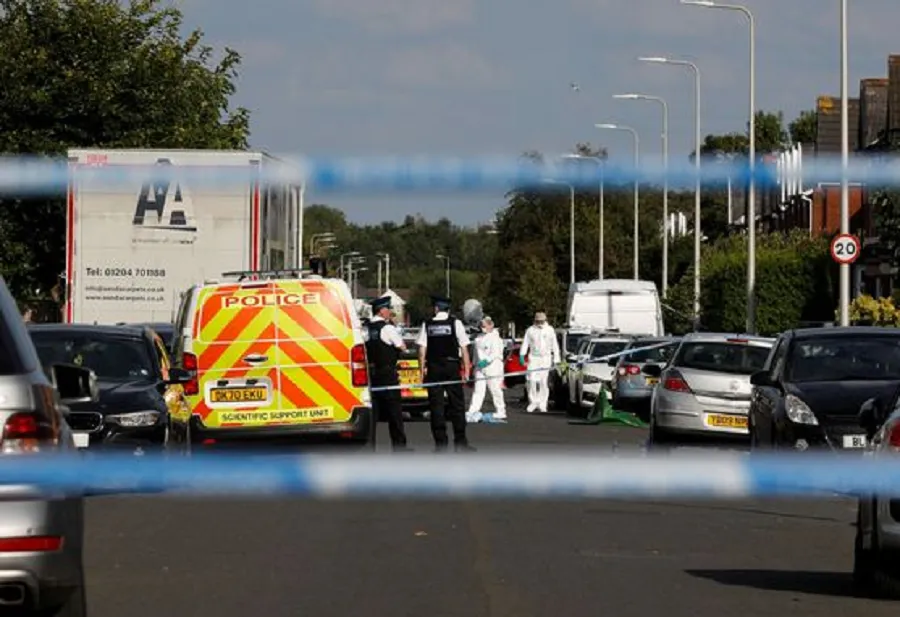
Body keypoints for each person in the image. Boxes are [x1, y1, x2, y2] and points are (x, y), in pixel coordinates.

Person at [416, 295, 476, 453]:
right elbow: (464, 348)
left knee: (436, 406)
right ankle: (460, 442)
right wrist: (467, 370)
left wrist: (421, 371)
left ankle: (440, 444)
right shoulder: (455, 323)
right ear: (447, 309)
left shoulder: (427, 324)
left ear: (436, 308)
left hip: (434, 367)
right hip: (451, 366)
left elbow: (422, 350)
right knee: (457, 405)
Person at [365, 295, 412, 452]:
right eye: (388, 309)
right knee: (394, 412)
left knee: (373, 413)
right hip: (387, 373)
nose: (389, 312)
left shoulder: (366, 328)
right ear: (382, 310)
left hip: (370, 373)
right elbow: (402, 346)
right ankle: (399, 446)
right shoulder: (387, 328)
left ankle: (370, 447)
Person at [466, 316, 507, 423]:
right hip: (480, 367)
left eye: (484, 326)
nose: (482, 328)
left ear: (491, 326)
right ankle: (473, 410)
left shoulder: (496, 338)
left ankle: (501, 410)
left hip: (492, 367)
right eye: (481, 326)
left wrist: (487, 361)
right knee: (478, 391)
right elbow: (476, 354)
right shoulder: (478, 338)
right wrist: (474, 366)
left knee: (495, 389)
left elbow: (496, 353)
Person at [520, 311, 560, 413]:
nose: (540, 323)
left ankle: (542, 404)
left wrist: (556, 360)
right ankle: (533, 402)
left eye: (542, 321)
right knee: (531, 380)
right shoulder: (530, 330)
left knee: (543, 382)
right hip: (533, 358)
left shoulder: (550, 330)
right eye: (538, 321)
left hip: (545, 358)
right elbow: (525, 343)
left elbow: (555, 345)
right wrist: (522, 356)